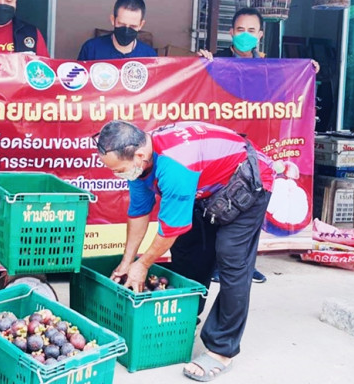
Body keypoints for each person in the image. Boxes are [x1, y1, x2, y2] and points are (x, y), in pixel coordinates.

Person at [94, 120, 274, 381]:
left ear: (140, 155)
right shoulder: (139, 165)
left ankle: (221, 349)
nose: (117, 175)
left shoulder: (175, 165)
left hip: (247, 180)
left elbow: (170, 229)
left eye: (119, 170)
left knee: (231, 258)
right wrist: (127, 261)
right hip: (207, 188)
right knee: (189, 251)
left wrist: (142, 265)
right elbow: (139, 212)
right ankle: (186, 320)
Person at [197, 6, 320, 73]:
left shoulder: (269, 67)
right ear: (232, 32)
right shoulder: (214, 61)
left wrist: (307, 70)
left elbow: (288, 85)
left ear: (260, 35)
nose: (245, 35)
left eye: (251, 31)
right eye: (240, 30)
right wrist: (198, 62)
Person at [77, 0, 157, 60]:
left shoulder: (149, 56)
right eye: (122, 24)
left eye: (133, 26)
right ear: (113, 20)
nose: (126, 31)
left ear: (141, 25)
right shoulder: (91, 49)